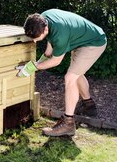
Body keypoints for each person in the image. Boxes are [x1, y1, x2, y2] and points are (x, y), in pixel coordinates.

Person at [16, 9, 107, 137]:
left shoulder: (60, 35)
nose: (35, 41)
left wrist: (33, 67)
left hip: (94, 43)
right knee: (77, 73)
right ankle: (89, 105)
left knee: (70, 77)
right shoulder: (43, 18)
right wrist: (43, 58)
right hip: (82, 39)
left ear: (45, 29)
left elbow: (56, 61)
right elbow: (49, 49)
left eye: (37, 38)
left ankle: (68, 123)